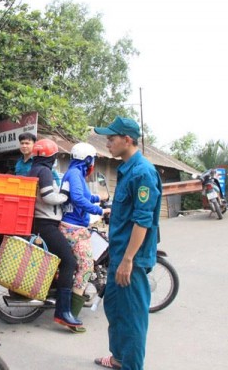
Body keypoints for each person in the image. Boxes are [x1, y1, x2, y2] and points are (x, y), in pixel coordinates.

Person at [93, 116, 162, 370]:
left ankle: (131, 365)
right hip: (119, 254)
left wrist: (128, 260)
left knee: (132, 319)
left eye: (112, 139)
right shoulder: (125, 169)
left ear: (127, 140)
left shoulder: (143, 172)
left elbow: (142, 222)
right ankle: (119, 358)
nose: (108, 143)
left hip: (130, 259)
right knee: (115, 309)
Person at [27, 138, 81, 328]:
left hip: (38, 223)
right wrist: (64, 196)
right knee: (69, 261)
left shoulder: (33, 169)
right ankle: (63, 312)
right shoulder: (45, 171)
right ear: (51, 157)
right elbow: (49, 197)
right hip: (46, 224)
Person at [59, 142, 111, 333]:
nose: (93, 164)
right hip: (73, 228)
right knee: (87, 266)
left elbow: (84, 195)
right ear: (88, 159)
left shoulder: (75, 173)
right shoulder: (75, 174)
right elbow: (79, 199)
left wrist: (100, 199)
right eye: (93, 160)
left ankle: (77, 296)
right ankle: (70, 314)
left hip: (75, 226)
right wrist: (99, 210)